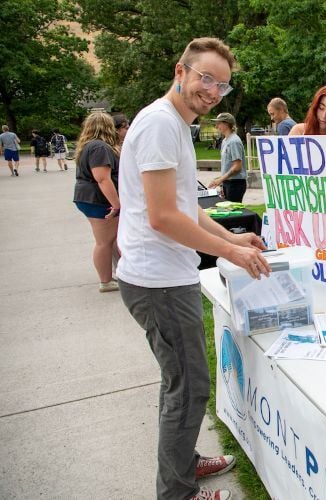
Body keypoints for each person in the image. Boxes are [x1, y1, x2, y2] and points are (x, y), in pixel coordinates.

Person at [116, 37, 271, 500]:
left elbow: (185, 207)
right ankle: (177, 492)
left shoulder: (174, 125)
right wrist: (232, 255)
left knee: (182, 384)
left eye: (221, 85)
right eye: (205, 77)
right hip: (157, 282)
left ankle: (184, 463)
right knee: (187, 390)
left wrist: (231, 238)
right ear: (180, 71)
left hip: (165, 277)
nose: (212, 90)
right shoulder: (162, 124)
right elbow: (164, 218)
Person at [72, 112, 121, 292]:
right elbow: (102, 179)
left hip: (89, 198)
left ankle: (117, 275)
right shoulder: (100, 147)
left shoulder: (89, 146)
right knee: (104, 241)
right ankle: (106, 281)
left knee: (110, 239)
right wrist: (116, 204)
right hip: (98, 200)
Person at [207, 112, 247, 202]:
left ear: (226, 124)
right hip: (227, 182)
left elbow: (237, 167)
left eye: (219, 123)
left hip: (235, 183)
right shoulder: (225, 140)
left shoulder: (234, 141)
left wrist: (221, 179)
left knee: (234, 213)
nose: (216, 126)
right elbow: (226, 165)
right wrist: (222, 183)